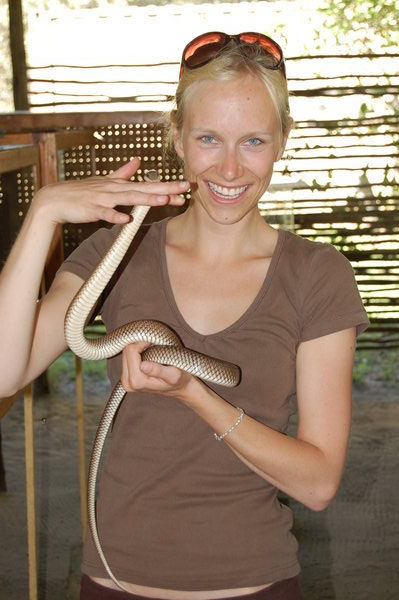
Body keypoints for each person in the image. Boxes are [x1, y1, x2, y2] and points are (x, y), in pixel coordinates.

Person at [0, 32, 369, 600]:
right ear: (176, 137)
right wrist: (42, 212)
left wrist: (194, 393)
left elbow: (317, 484)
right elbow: (4, 372)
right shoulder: (115, 253)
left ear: (282, 143)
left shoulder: (317, 275)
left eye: (252, 141)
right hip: (114, 583)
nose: (228, 167)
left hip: (256, 585)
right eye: (207, 138)